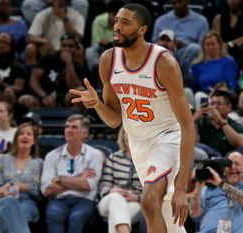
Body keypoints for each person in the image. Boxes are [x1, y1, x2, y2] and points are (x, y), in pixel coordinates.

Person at [69, 3, 195, 233]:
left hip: (167, 138)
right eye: (117, 21)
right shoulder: (108, 60)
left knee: (148, 201)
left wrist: (181, 187)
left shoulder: (163, 63)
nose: (117, 27)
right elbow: (115, 120)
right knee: (169, 221)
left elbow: (188, 126)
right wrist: (97, 104)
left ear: (142, 30)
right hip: (137, 143)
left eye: (126, 23)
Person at [40, 114, 104, 233]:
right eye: (67, 127)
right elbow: (46, 190)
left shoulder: (95, 155)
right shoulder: (52, 155)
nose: (69, 130)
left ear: (84, 133)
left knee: (76, 218)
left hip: (85, 200)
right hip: (58, 200)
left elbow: (88, 185)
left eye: (74, 127)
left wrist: (59, 179)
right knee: (54, 216)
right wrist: (79, 178)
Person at [190, 150, 243, 233]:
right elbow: (194, 213)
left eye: (237, 164)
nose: (232, 167)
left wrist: (221, 183)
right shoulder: (208, 190)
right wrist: (198, 182)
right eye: (228, 164)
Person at [0, 123, 42, 233]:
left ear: (34, 141)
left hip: (27, 202)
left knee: (8, 215)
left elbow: (37, 190)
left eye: (29, 134)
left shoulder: (38, 163)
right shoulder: (2, 159)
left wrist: (15, 186)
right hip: (3, 200)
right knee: (8, 204)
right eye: (21, 134)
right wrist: (2, 191)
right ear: (16, 139)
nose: (25, 136)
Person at [98, 126, 142, 233]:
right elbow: (104, 184)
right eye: (126, 133)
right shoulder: (114, 158)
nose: (129, 136)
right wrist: (111, 190)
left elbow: (151, 189)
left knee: (116, 217)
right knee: (115, 198)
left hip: (135, 202)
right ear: (122, 136)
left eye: (133, 132)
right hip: (109, 200)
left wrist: (137, 198)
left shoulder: (146, 159)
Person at [151, 0, 209, 80]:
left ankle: (184, 75)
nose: (177, 5)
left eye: (179, 2)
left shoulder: (201, 21)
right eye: (174, 3)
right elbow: (154, 43)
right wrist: (168, 44)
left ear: (187, 2)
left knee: (195, 48)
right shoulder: (161, 21)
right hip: (167, 51)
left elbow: (203, 45)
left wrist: (185, 45)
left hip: (187, 53)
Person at [26, 32, 85, 108]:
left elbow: (74, 86)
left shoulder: (78, 65)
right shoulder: (48, 59)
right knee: (26, 99)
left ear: (76, 48)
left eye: (70, 46)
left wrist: (68, 62)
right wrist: (43, 95)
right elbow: (33, 79)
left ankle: (73, 118)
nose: (67, 49)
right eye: (64, 46)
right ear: (60, 46)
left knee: (79, 92)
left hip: (66, 98)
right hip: (45, 95)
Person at [25, 0, 85, 66]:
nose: (57, 4)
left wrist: (64, 19)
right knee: (30, 48)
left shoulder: (77, 16)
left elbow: (77, 39)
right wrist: (45, 41)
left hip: (67, 49)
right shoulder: (42, 15)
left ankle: (79, 74)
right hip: (47, 49)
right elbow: (30, 37)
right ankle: (30, 73)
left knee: (79, 49)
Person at [189, 31, 238, 109]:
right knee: (196, 95)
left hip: (223, 96)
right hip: (203, 96)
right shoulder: (197, 65)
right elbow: (195, 87)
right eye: (207, 45)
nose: (210, 47)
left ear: (219, 45)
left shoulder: (229, 62)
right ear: (203, 47)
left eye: (213, 44)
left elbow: (232, 85)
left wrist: (218, 92)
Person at [193, 90, 243, 156]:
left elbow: (240, 144)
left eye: (218, 104)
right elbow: (192, 144)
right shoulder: (202, 123)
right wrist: (194, 121)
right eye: (212, 103)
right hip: (203, 162)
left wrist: (222, 123)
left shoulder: (235, 126)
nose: (214, 107)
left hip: (224, 161)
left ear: (229, 107)